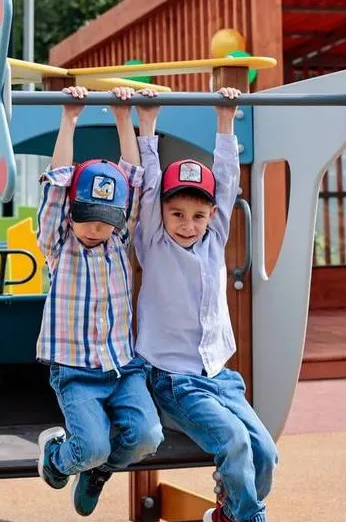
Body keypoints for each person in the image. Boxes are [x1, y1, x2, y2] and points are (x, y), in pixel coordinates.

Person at [133, 87, 279, 522]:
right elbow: (149, 185)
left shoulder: (214, 240)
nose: (187, 225)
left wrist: (225, 119)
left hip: (220, 375)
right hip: (174, 380)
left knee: (265, 452)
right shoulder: (154, 242)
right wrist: (147, 124)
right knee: (233, 441)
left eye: (198, 216)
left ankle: (229, 513)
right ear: (162, 214)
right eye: (177, 214)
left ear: (211, 216)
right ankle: (249, 519)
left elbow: (228, 182)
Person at [35, 85, 164, 517]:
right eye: (86, 218)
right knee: (87, 446)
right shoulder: (59, 245)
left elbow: (135, 177)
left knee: (147, 438)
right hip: (75, 371)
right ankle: (57, 456)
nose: (95, 229)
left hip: (123, 366)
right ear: (72, 214)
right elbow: (55, 186)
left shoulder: (118, 240)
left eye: (104, 222)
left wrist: (122, 117)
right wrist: (69, 118)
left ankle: (98, 470)